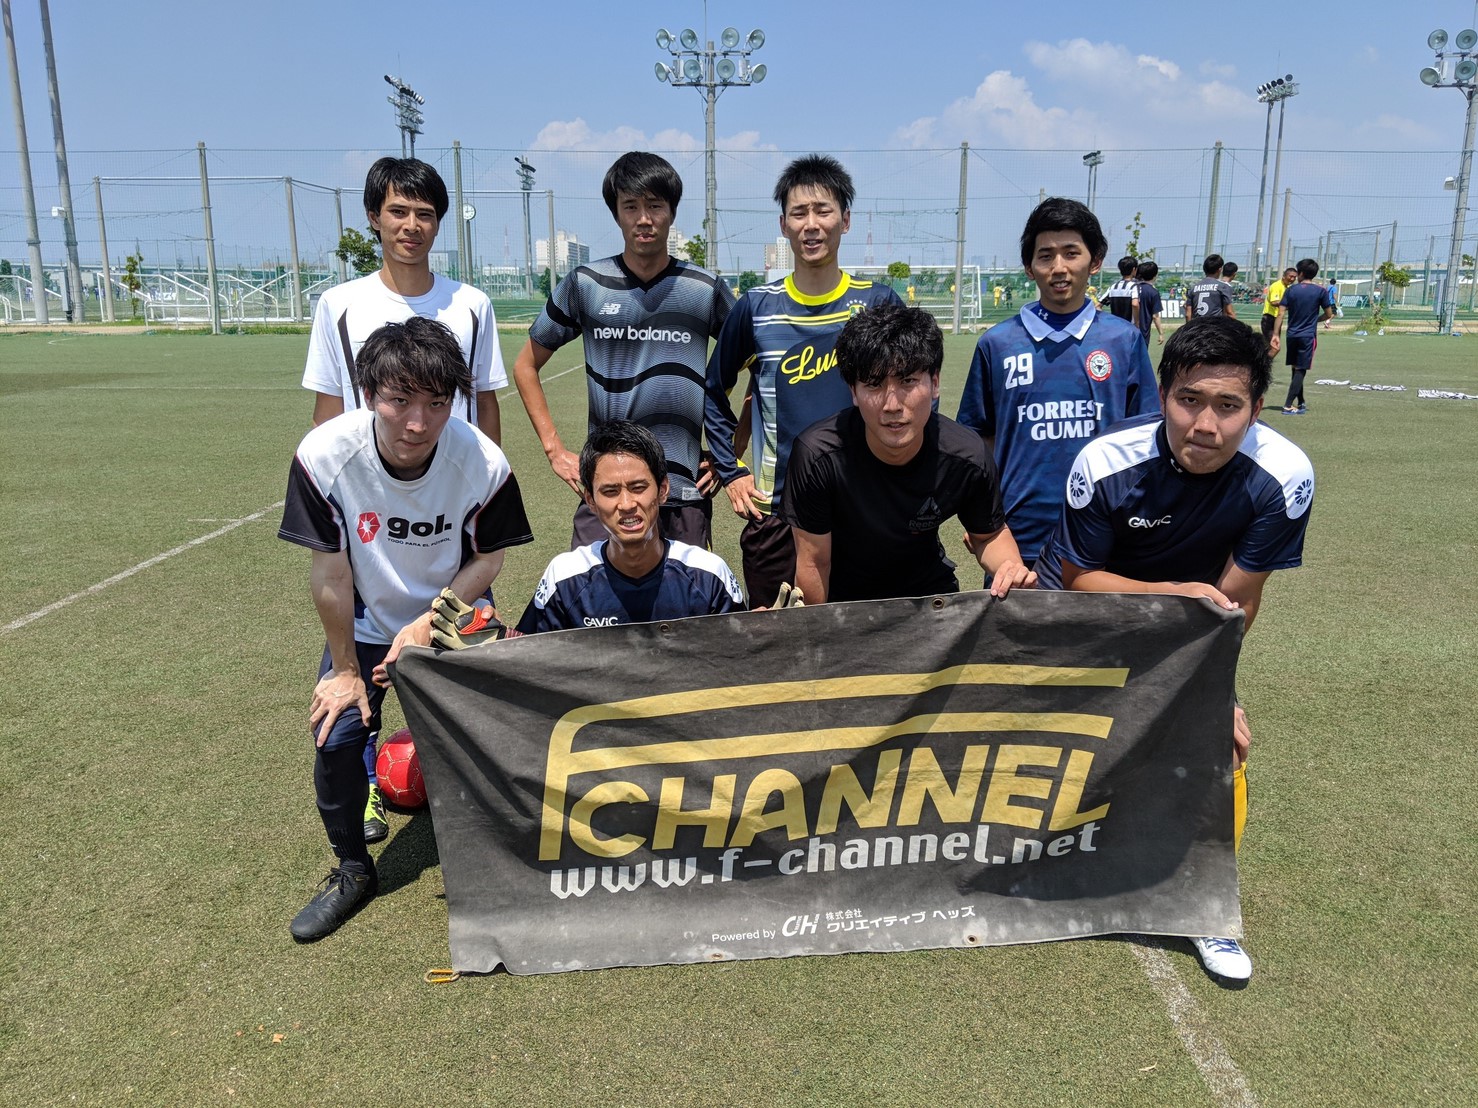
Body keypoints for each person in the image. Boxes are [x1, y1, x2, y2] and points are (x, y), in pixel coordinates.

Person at [1036, 315, 1314, 981]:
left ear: (1256, 409)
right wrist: (1170, 592)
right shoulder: (1105, 461)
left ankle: (1203, 907)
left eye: (1228, 406)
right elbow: (1079, 580)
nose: (1205, 425)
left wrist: (1209, 691)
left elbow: (1237, 601)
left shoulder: (1284, 476)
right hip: (1088, 608)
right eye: (1189, 400)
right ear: (1163, 396)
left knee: (1221, 744)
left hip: (1192, 623)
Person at [278, 317, 534, 941]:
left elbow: (489, 559)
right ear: (369, 394)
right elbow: (331, 574)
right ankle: (352, 870)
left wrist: (427, 621)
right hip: (366, 621)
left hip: (454, 614)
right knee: (337, 735)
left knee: (491, 733)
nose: (418, 424)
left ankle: (504, 851)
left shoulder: (482, 462)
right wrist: (345, 671)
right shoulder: (324, 456)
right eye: (399, 401)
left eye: (437, 404)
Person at [704, 154, 903, 607]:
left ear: (845, 220)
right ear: (784, 225)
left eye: (823, 211)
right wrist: (731, 470)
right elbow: (714, 391)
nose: (811, 225)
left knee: (866, 635)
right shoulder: (756, 308)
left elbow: (912, 396)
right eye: (799, 213)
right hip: (777, 512)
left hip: (865, 506)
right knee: (776, 638)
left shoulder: (878, 303)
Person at [512, 152, 734, 551]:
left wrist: (729, 452)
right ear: (616, 214)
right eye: (630, 206)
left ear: (672, 212)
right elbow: (526, 365)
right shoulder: (586, 283)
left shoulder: (705, 288)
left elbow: (759, 365)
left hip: (682, 488)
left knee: (690, 591)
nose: (643, 218)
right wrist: (554, 451)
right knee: (588, 588)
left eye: (655, 206)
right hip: (607, 488)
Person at [956, 197, 1158, 571]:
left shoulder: (1123, 341)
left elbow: (1146, 437)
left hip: (1105, 531)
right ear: (1029, 267)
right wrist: (980, 513)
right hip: (1017, 535)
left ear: (1095, 261)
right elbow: (976, 439)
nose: (1059, 267)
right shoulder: (997, 344)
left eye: (1071, 253)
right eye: (1046, 256)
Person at [784, 302, 1034, 603]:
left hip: (930, 596)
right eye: (874, 384)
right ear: (853, 391)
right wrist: (821, 629)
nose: (892, 405)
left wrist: (1010, 568)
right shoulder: (818, 457)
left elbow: (989, 535)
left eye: (907, 381)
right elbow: (814, 563)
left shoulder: (966, 456)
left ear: (935, 383)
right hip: (845, 599)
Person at [302, 157, 506, 442]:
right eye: (398, 211)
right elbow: (328, 410)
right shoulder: (337, 305)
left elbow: (484, 401)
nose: (412, 225)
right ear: (374, 218)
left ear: (437, 223)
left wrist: (493, 468)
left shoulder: (473, 304)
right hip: (366, 469)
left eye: (424, 214)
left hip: (455, 469)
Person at [514, 421, 745, 633]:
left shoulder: (710, 575)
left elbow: (740, 654)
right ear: (590, 500)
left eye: (638, 488)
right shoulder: (564, 578)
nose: (626, 504)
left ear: (663, 490)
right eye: (610, 491)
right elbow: (525, 653)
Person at [1271, 258, 1334, 415]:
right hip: (1308, 336)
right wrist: (1316, 320)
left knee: (1296, 368)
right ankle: (1287, 405)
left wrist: (1275, 334)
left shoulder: (1291, 290)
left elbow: (1280, 313)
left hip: (1291, 335)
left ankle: (1301, 401)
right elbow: (1329, 314)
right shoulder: (1321, 291)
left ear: (1301, 273)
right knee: (1301, 370)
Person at [1186, 254, 1236, 320]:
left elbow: (1188, 315)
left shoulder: (1193, 288)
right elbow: (1229, 312)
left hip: (1197, 324)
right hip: (1215, 325)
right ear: (1220, 270)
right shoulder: (1223, 287)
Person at [1260, 266, 1298, 351]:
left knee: (1272, 346)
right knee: (1273, 347)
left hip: (1277, 319)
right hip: (1269, 318)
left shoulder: (1287, 287)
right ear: (1284, 276)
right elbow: (1274, 302)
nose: (1292, 279)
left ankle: (1262, 359)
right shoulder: (1277, 286)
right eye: (1290, 276)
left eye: (1294, 277)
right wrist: (1291, 305)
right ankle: (1260, 360)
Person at [1101, 256, 1140, 328]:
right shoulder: (1133, 286)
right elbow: (1135, 304)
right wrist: (1137, 322)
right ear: (1134, 269)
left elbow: (1098, 305)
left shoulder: (1113, 287)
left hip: (1115, 327)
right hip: (1129, 327)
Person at [1136, 259, 1165, 346]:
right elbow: (1155, 316)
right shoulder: (1153, 292)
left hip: (1127, 328)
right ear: (1155, 275)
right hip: (1142, 332)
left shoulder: (1132, 288)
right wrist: (1161, 333)